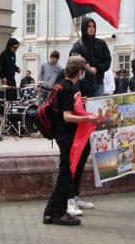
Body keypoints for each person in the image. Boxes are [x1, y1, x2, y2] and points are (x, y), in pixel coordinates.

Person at [42, 56, 98, 226]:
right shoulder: (68, 88)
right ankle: (58, 214)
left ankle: (50, 213)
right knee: (65, 175)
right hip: (67, 135)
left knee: (65, 174)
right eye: (84, 71)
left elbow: (63, 107)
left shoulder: (61, 84)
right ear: (79, 71)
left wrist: (79, 102)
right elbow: (67, 116)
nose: (84, 74)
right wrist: (88, 118)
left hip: (61, 134)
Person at [71, 17, 112, 97]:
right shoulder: (78, 45)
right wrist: (86, 68)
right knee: (85, 107)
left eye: (93, 26)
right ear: (84, 27)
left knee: (98, 107)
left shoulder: (101, 43)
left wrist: (97, 69)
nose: (92, 28)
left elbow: (107, 61)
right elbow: (73, 63)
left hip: (98, 82)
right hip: (83, 84)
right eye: (89, 26)